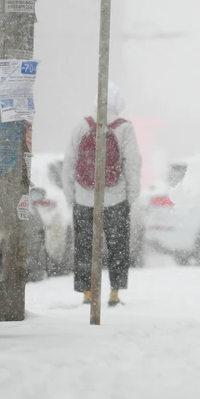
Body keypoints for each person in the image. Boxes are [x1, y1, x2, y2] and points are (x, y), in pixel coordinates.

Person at [63, 82, 142, 307]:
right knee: (117, 247)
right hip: (116, 199)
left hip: (83, 199)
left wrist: (72, 196)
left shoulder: (82, 125)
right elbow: (132, 164)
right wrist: (131, 196)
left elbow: (69, 163)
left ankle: (87, 293)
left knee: (84, 247)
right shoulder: (124, 128)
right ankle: (114, 293)